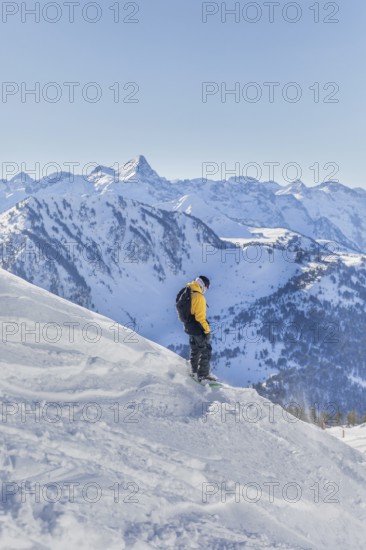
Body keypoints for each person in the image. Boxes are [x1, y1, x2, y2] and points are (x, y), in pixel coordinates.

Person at [184, 276, 216, 382]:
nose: (206, 290)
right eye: (206, 287)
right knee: (206, 350)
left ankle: (193, 372)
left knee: (195, 349)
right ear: (203, 285)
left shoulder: (189, 291)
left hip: (189, 326)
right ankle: (203, 376)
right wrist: (207, 330)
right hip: (197, 328)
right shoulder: (199, 297)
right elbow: (200, 318)